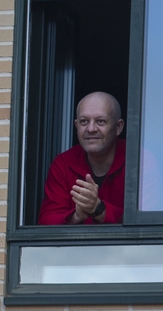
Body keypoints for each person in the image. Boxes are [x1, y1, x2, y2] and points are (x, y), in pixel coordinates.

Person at [38, 92, 125, 225]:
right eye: (84, 121)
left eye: (100, 121)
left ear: (118, 127)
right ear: (76, 125)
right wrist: (76, 216)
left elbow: (148, 225)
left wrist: (99, 209)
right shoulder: (63, 163)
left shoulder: (139, 162)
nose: (91, 129)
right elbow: (45, 224)